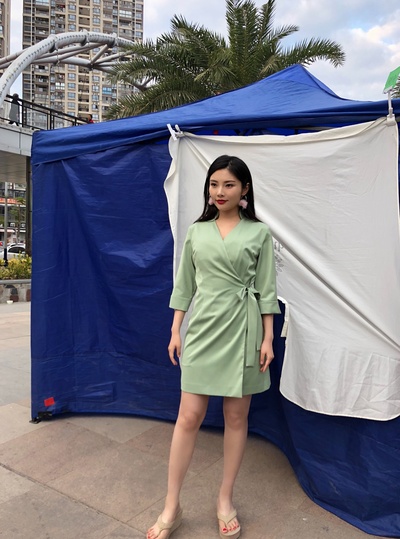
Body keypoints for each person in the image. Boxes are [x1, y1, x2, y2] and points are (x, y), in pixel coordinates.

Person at [147, 155, 280, 539]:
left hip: (244, 330)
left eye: (229, 185)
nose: (220, 192)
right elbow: (184, 285)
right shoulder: (197, 232)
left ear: (245, 189)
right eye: (214, 184)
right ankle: (172, 505)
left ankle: (225, 499)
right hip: (203, 329)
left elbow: (266, 289)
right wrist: (176, 330)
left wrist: (268, 338)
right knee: (188, 416)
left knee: (236, 418)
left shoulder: (259, 233)